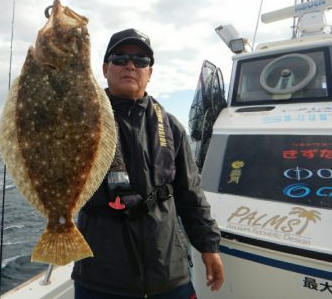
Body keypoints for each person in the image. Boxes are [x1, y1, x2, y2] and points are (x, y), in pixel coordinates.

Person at [71, 28, 224, 299]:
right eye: (120, 58)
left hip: (169, 275)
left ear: (149, 73)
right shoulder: (81, 120)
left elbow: (190, 194)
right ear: (105, 68)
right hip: (100, 278)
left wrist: (209, 246)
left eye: (141, 61)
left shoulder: (171, 127)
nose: (131, 65)